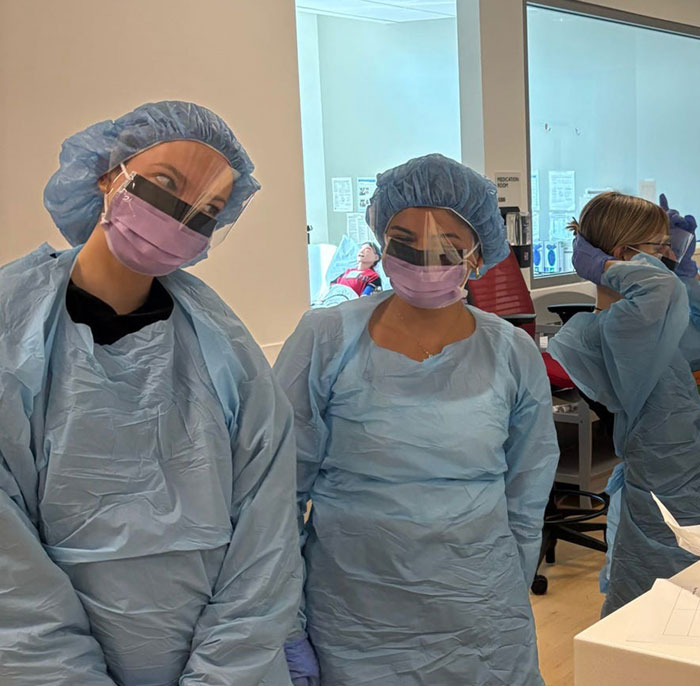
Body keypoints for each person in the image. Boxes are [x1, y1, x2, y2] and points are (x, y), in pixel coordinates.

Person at [0, 101, 301, 684]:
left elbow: (266, 532)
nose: (181, 216)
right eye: (164, 185)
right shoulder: (14, 330)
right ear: (108, 174)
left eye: (209, 209)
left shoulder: (224, 345)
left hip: (226, 663)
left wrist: (224, 673)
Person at [275, 154, 559, 685]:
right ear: (380, 242)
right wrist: (287, 619)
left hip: (479, 613)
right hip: (355, 611)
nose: (424, 255)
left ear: (478, 255)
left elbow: (527, 492)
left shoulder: (511, 353)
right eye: (404, 238)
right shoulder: (326, 339)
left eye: (446, 243)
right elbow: (277, 489)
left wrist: (507, 585)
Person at [549, 191, 700, 616]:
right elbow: (657, 285)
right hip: (666, 485)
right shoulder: (617, 329)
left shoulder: (651, 326)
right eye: (660, 247)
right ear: (623, 257)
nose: (670, 255)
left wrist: (688, 271)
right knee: (665, 605)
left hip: (688, 473)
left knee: (690, 596)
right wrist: (612, 267)